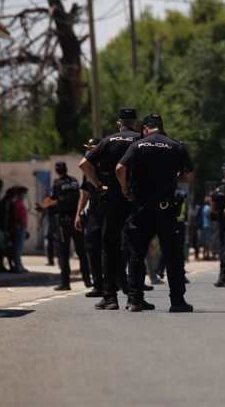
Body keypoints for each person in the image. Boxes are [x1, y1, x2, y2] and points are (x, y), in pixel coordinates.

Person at [116, 113, 195, 313]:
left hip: (141, 207)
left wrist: (125, 189)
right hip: (165, 208)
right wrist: (175, 179)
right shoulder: (175, 145)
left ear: (145, 129)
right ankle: (177, 301)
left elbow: (119, 168)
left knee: (136, 254)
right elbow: (188, 176)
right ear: (161, 127)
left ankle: (135, 300)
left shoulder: (138, 145)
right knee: (172, 255)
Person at [80, 108, 141, 310]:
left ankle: (110, 297)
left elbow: (84, 164)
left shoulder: (108, 141)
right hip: (136, 199)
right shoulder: (141, 140)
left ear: (119, 123)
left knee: (109, 245)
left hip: (112, 199)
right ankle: (135, 297)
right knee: (135, 247)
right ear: (134, 122)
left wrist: (98, 185)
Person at [48, 162, 91, 291]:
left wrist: (43, 206)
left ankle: (65, 283)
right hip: (76, 220)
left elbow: (53, 199)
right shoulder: (74, 181)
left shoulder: (57, 183)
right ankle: (87, 280)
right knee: (82, 252)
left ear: (57, 170)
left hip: (63, 221)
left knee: (63, 253)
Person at [76, 138, 104, 298]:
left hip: (109, 209)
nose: (89, 151)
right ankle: (98, 285)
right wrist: (78, 214)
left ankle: (116, 282)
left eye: (92, 148)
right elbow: (84, 193)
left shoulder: (107, 164)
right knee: (92, 248)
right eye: (88, 148)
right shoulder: (88, 170)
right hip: (93, 212)